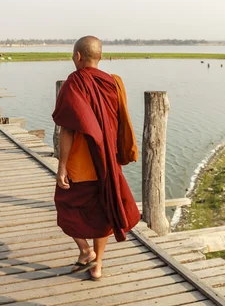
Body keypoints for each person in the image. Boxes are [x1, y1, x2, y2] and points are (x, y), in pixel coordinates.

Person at [53, 35, 140, 281]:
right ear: (99, 56)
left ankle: (85, 250)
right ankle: (97, 265)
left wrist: (61, 166)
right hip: (107, 162)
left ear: (78, 57)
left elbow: (68, 129)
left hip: (80, 164)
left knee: (65, 205)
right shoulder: (114, 82)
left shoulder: (75, 82)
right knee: (103, 211)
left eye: (73, 55)